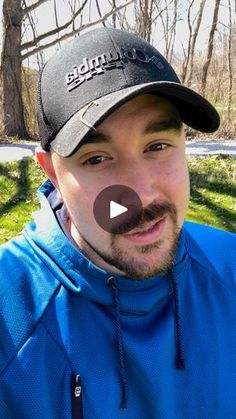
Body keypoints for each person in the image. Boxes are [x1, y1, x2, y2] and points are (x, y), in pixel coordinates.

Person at [0, 27, 235, 419]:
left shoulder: (230, 268)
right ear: (53, 173)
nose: (141, 195)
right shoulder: (9, 320)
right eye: (96, 158)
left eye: (157, 147)